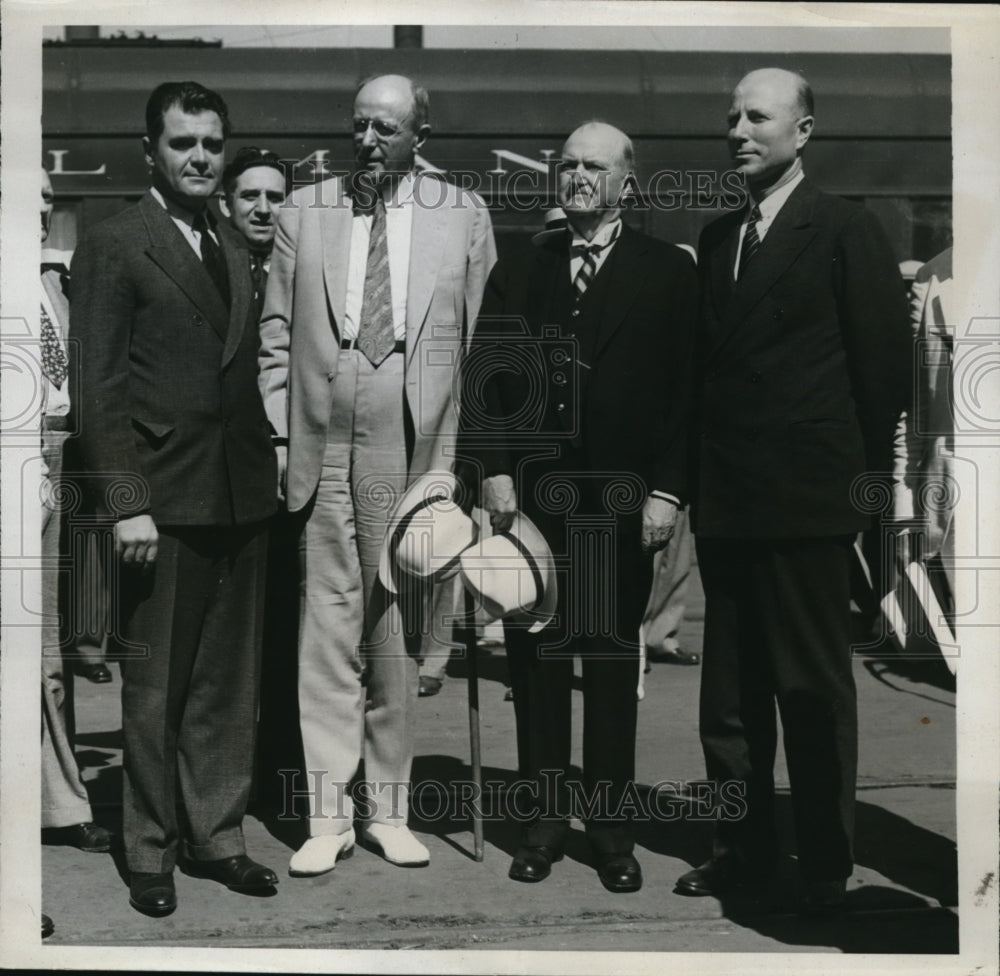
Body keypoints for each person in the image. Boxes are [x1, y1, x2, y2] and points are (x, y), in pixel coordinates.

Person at [681, 68, 910, 913]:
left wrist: (864, 506)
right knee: (731, 703)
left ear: (804, 132)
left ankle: (824, 860)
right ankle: (740, 850)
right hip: (731, 506)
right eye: (731, 115)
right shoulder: (716, 238)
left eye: (758, 117)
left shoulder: (845, 228)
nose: (738, 130)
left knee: (812, 692)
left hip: (810, 506)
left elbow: (881, 376)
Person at [258, 73, 496, 875]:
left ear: (418, 137)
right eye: (358, 125)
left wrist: (456, 460)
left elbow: (478, 347)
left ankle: (386, 810)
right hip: (325, 441)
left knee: (394, 624)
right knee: (326, 622)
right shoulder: (305, 210)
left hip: (411, 439)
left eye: (385, 130)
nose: (367, 141)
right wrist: (284, 437)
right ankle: (326, 815)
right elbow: (277, 337)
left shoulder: (462, 214)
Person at [460, 121, 698, 893]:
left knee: (605, 665)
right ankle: (541, 825)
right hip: (533, 509)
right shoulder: (524, 267)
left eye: (594, 167)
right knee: (535, 667)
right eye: (567, 166)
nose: (577, 178)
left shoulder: (667, 270)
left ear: (628, 181)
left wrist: (667, 491)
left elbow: (688, 394)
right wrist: (493, 475)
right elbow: (486, 379)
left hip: (622, 507)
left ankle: (612, 832)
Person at [69, 81, 279, 916]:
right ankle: (149, 849)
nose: (200, 157)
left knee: (226, 688)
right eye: (184, 143)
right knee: (155, 689)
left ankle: (217, 835)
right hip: (160, 504)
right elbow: (97, 387)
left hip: (240, 496)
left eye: (212, 144)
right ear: (149, 150)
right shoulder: (118, 241)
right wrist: (126, 502)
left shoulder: (232, 239)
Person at [39, 166, 113, 858]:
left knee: (49, 644)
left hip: (57, 462)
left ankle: (62, 802)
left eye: (44, 200)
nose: (37, 212)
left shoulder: (51, 282)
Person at [220, 146, 286, 314]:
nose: (263, 210)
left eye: (274, 198)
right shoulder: (209, 269)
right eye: (250, 196)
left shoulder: (306, 274)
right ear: (226, 204)